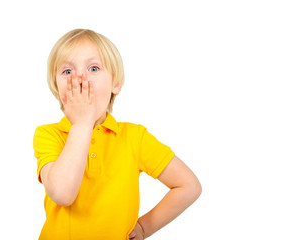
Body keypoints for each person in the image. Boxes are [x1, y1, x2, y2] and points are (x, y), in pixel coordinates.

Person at [33, 28, 202, 240]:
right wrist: (82, 124)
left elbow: (189, 186)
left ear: (116, 84)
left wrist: (144, 227)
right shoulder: (49, 135)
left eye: (93, 68)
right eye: (67, 71)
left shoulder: (135, 138)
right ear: (58, 90)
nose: (79, 78)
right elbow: (63, 194)